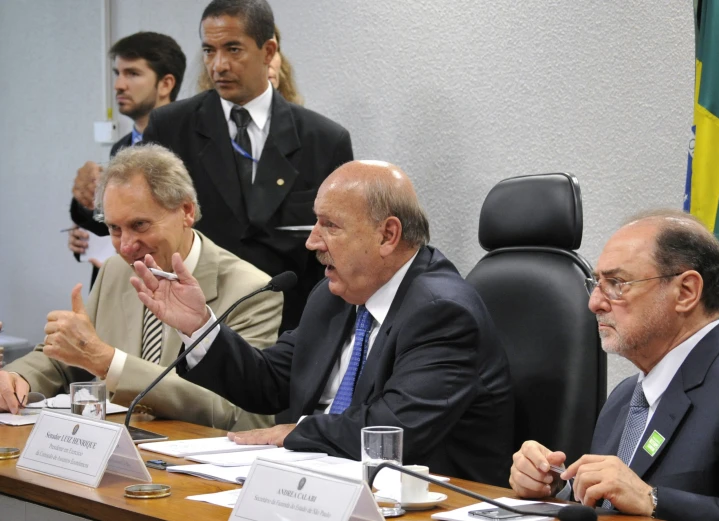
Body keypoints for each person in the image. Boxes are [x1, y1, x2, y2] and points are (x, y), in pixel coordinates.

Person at [131, 160, 514, 486]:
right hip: (323, 484)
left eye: (330, 225)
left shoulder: (443, 312)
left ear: (388, 235)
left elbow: (391, 430)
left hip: (425, 500)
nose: (312, 241)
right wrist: (199, 327)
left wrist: (296, 433)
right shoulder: (334, 296)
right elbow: (269, 383)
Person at [509, 210, 719, 520]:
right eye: (596, 283)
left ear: (686, 292)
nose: (594, 303)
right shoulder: (625, 397)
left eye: (617, 283)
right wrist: (552, 486)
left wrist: (654, 500)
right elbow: (612, 502)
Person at [0, 145, 282, 431]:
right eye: (114, 229)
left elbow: (235, 411)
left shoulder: (251, 290)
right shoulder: (115, 270)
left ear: (186, 211)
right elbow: (69, 361)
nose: (125, 246)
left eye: (140, 225)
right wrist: (18, 378)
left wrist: (111, 363)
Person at [144, 0, 353, 333]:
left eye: (233, 49)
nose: (218, 65)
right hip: (193, 323)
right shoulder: (170, 128)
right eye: (209, 51)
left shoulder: (324, 140)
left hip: (292, 329)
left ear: (268, 51)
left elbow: (341, 250)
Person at [69, 32, 186, 284]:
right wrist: (87, 210)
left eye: (132, 74)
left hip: (176, 287)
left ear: (166, 84)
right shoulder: (121, 148)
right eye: (117, 73)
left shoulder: (188, 149)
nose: (119, 85)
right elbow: (115, 222)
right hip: (125, 288)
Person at [197, 24, 303, 106]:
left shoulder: (304, 127)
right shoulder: (189, 122)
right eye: (235, 50)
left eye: (270, 51)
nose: (267, 62)